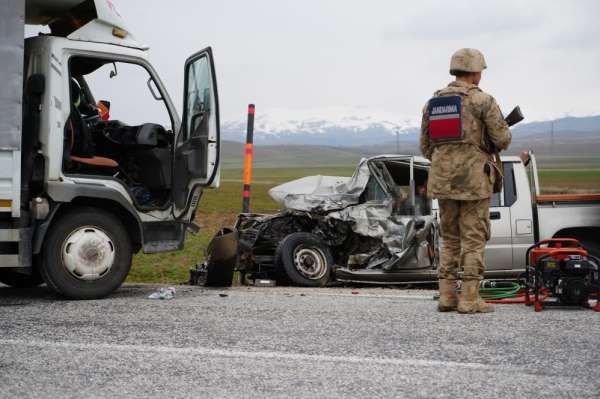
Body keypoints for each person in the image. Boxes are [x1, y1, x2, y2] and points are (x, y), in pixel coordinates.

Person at [420, 48, 511, 313]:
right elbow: (502, 139)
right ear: (475, 72)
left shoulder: (433, 103)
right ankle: (470, 299)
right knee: (473, 239)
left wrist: (449, 158)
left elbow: (426, 148)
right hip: (473, 182)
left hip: (443, 180)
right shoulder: (483, 101)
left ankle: (447, 297)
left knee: (449, 239)